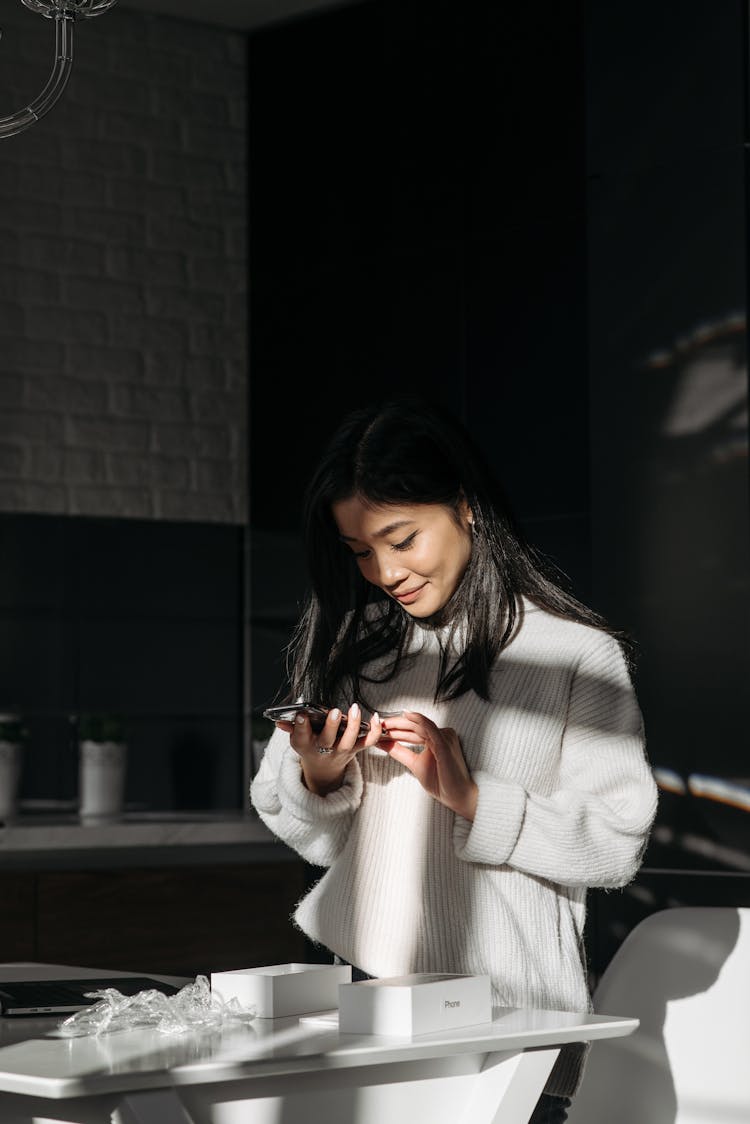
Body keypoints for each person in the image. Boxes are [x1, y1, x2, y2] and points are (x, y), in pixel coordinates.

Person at [250, 394, 658, 1124]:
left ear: (466, 507)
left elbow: (615, 846)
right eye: (361, 552)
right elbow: (307, 832)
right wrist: (319, 774)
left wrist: (472, 796)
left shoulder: (577, 656)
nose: (384, 572)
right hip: (363, 1002)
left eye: (402, 539)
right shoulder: (361, 648)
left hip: (514, 1024)